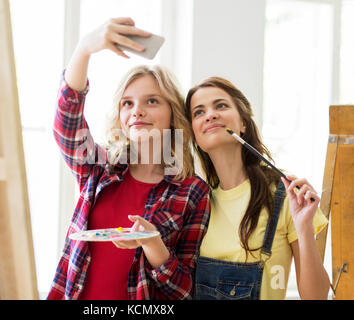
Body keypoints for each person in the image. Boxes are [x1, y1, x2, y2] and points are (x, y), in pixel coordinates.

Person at [47, 17, 211, 300]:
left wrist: (154, 245)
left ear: (173, 114)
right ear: (121, 116)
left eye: (152, 101)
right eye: (128, 103)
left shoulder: (192, 191)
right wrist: (84, 48)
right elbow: (66, 125)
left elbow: (185, 291)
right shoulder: (98, 167)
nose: (137, 111)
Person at [185, 76, 330, 300]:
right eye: (198, 112)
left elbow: (317, 297)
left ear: (243, 123)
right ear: (194, 134)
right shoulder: (196, 201)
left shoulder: (285, 196)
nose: (210, 115)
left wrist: (304, 228)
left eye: (221, 105)